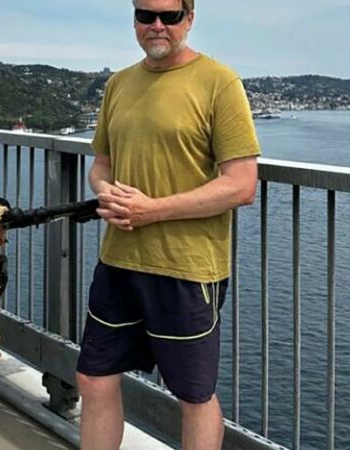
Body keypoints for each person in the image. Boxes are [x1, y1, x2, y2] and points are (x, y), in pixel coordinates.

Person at [75, 0, 260, 449]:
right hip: (119, 260)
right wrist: (105, 191)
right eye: (146, 15)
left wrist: (152, 210)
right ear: (134, 19)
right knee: (93, 378)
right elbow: (101, 165)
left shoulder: (219, 83)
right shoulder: (118, 84)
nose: (157, 25)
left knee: (193, 396)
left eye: (170, 16)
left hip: (186, 268)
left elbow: (241, 184)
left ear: (189, 18)